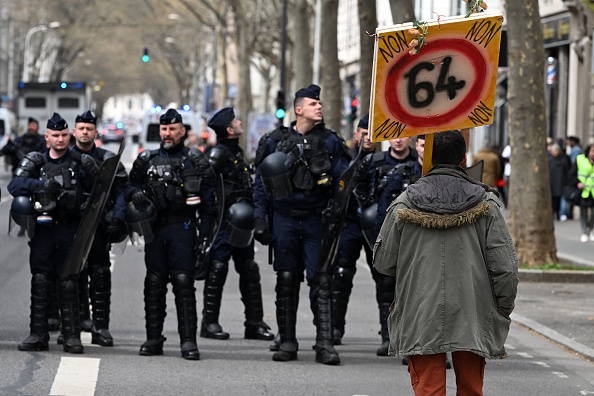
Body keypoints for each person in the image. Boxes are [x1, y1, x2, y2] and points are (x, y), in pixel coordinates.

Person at [374, 130, 519, 395]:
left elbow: (384, 262)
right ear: (464, 159)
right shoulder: (486, 203)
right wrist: (503, 307)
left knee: (428, 389)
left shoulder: (404, 202)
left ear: (428, 157)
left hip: (421, 308)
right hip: (474, 307)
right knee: (471, 389)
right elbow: (505, 267)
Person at [253, 84, 351, 365]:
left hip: (316, 219)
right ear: (298, 110)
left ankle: (324, 343)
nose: (319, 107)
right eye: (312, 104)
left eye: (319, 103)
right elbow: (260, 185)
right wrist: (260, 218)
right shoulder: (274, 141)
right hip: (283, 218)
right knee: (286, 278)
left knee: (321, 279)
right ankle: (287, 341)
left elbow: (344, 185)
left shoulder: (331, 142)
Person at [127, 108, 215, 360]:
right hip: (156, 229)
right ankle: (153, 338)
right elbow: (130, 185)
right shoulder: (147, 160)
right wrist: (135, 195)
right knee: (154, 283)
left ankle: (188, 342)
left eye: (172, 129)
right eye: (163, 129)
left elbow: (211, 201)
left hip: (183, 227)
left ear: (182, 131)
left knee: (183, 283)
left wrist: (206, 236)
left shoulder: (195, 160)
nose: (166, 133)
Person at [8, 113, 97, 354]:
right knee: (40, 280)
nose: (60, 139)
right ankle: (38, 334)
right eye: (55, 135)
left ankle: (71, 337)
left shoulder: (80, 162)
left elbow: (100, 189)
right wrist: (40, 186)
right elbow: (14, 185)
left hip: (70, 229)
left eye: (64, 135)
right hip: (43, 230)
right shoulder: (36, 163)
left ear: (69, 136)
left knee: (69, 282)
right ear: (46, 138)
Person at [199, 107, 274, 341]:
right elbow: (207, 187)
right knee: (218, 268)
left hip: (242, 220)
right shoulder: (219, 154)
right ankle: (209, 322)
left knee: (249, 269)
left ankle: (254, 322)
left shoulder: (235, 151)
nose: (240, 121)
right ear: (230, 129)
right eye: (236, 120)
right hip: (224, 221)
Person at [69, 110, 129, 347]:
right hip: (70, 225)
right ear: (75, 131)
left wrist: (117, 217)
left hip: (98, 225)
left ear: (96, 132)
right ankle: (74, 323)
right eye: (81, 128)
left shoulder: (108, 159)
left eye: (89, 128)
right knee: (72, 276)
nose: (85, 132)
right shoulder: (64, 156)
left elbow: (123, 190)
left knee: (100, 274)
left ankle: (100, 326)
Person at [330, 114, 376, 348]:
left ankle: (388, 334)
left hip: (375, 224)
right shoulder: (345, 158)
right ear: (357, 134)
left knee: (384, 277)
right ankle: (335, 327)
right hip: (348, 223)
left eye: (373, 133)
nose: (368, 138)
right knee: (341, 275)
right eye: (364, 133)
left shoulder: (383, 159)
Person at [568, 144, 594, 242]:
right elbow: (571, 174)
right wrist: (577, 183)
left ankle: (590, 229)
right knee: (584, 213)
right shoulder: (580, 160)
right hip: (584, 191)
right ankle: (584, 231)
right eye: (593, 151)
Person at [548, 143, 570, 221]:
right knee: (553, 199)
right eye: (553, 151)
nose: (554, 152)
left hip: (561, 182)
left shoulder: (563, 160)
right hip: (553, 182)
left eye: (555, 150)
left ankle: (561, 213)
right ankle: (555, 213)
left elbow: (566, 171)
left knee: (561, 198)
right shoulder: (549, 160)